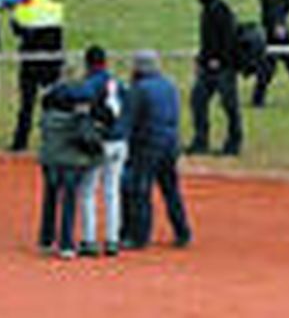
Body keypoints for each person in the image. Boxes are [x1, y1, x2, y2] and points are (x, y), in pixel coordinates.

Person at [120, 50, 191, 250]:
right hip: (170, 144)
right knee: (171, 190)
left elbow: (129, 120)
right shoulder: (169, 85)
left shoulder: (139, 89)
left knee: (141, 191)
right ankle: (182, 231)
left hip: (147, 146)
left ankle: (139, 236)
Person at [36, 68, 96, 260]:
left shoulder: (47, 114)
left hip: (50, 160)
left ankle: (46, 240)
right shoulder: (78, 115)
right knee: (69, 202)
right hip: (71, 162)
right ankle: (66, 245)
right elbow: (85, 137)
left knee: (50, 199)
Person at [76, 45, 128, 258]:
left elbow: (79, 102)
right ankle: (112, 240)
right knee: (112, 191)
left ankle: (89, 240)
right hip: (120, 142)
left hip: (100, 142)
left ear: (88, 64)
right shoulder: (117, 82)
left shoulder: (90, 83)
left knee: (87, 190)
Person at [188, 0, 242, 156]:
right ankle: (200, 140)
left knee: (230, 106)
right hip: (207, 67)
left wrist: (220, 59)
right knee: (198, 101)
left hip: (224, 67)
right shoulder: (207, 10)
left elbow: (229, 38)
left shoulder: (221, 9)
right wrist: (201, 59)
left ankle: (234, 143)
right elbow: (207, 41)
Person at [9, 0, 64, 152]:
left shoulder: (24, 8)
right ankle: (53, 140)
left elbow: (16, 30)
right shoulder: (56, 7)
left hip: (30, 62)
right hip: (52, 62)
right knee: (53, 104)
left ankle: (20, 142)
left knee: (27, 104)